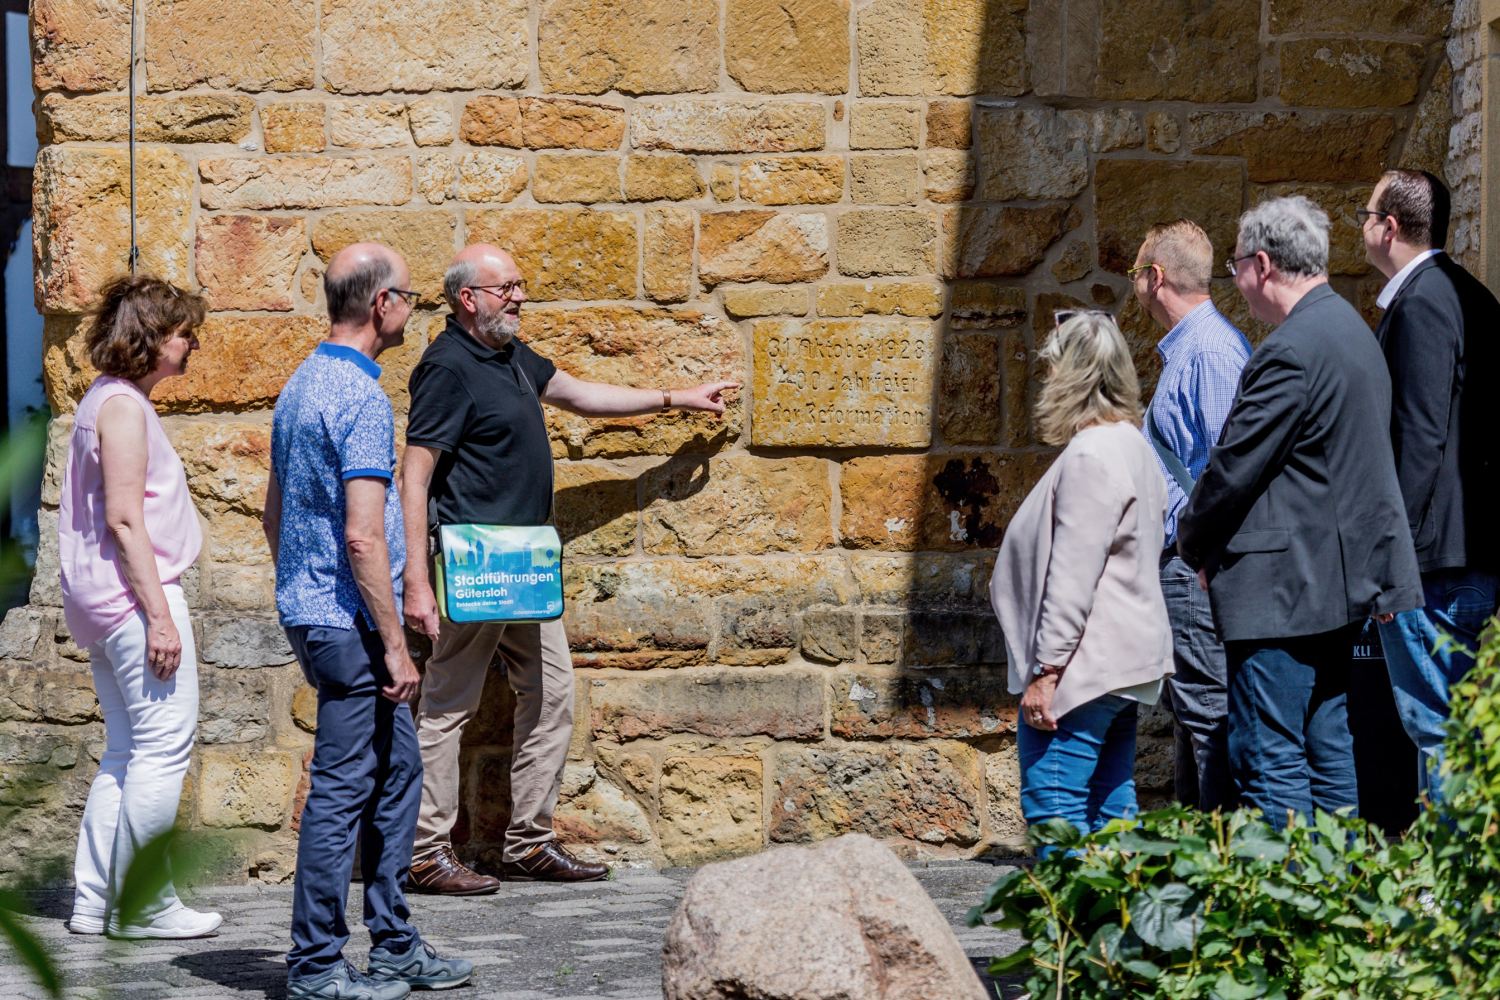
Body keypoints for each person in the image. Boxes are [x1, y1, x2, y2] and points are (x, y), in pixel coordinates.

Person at [403, 244, 739, 892]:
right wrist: (418, 579)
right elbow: (413, 476)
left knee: (553, 694)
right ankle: (423, 852)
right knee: (448, 706)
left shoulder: (511, 356)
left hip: (527, 566)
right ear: (467, 298)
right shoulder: (446, 367)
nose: (520, 296)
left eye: (520, 284)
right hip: (476, 566)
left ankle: (528, 843)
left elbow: (581, 395)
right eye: (506, 287)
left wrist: (677, 398)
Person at [265, 243, 471, 1000]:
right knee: (343, 790)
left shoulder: (300, 384)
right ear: (382, 305)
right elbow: (362, 535)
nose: (413, 310)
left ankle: (394, 944)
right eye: (410, 297)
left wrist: (300, 589)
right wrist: (394, 644)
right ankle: (316, 965)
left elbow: (273, 514)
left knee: (398, 771)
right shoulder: (358, 397)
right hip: (349, 625)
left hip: (317, 612)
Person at [1177, 196, 1422, 829]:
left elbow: (1233, 466)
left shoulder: (1289, 350)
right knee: (1327, 746)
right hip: (1332, 586)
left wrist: (1190, 542)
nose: (1236, 281)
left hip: (1282, 594)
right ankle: (1336, 881)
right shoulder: (1350, 331)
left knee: (1268, 754)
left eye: (1235, 267)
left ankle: (1287, 891)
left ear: (1262, 265)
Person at [59, 275, 221, 940]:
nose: (192, 345)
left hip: (106, 602)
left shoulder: (105, 399)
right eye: (184, 334)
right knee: (160, 750)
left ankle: (96, 901)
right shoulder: (123, 408)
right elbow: (126, 520)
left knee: (126, 752)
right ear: (151, 338)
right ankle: (144, 906)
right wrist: (159, 616)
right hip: (134, 600)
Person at [988, 311, 1173, 840]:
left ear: (1071, 375)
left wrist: (1047, 671)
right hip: (1123, 662)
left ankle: (1068, 899)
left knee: (1055, 807)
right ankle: (1120, 897)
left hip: (1085, 667)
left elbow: (1072, 576)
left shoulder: (1092, 454)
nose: (1047, 379)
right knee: (1111, 807)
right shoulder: (1133, 444)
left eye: (1052, 368)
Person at [1362, 169, 1500, 803]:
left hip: (1433, 566)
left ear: (1389, 227)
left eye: (1367, 216)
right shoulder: (1471, 295)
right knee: (1459, 730)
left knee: (1439, 730)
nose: (1363, 227)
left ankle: (1452, 863)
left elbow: (1420, 439)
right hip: (1466, 553)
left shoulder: (1421, 302)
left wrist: (1393, 560)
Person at [1130, 220, 1250, 812]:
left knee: (1207, 717)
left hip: (1196, 568)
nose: (1133, 283)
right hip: (1183, 564)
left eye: (1135, 272)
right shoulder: (1192, 349)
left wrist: (1199, 556)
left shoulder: (1210, 352)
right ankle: (1198, 844)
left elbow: (1231, 470)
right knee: (1190, 716)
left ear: (1155, 277)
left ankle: (1222, 851)